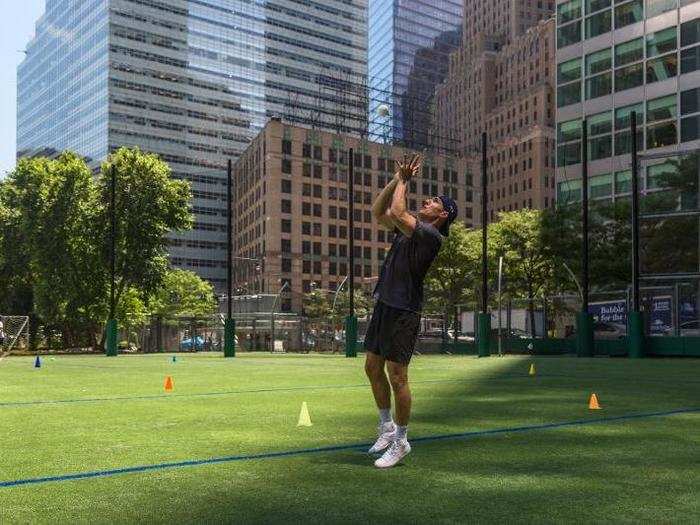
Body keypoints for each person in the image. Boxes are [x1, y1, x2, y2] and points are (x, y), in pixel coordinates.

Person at [364, 154, 458, 468]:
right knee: (372, 368)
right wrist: (396, 178)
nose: (427, 202)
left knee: (398, 377)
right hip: (386, 304)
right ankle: (386, 427)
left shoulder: (431, 236)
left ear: (442, 215)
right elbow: (379, 211)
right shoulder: (408, 232)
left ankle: (402, 440)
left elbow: (397, 210)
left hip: (405, 310)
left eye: (433, 202)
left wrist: (405, 180)